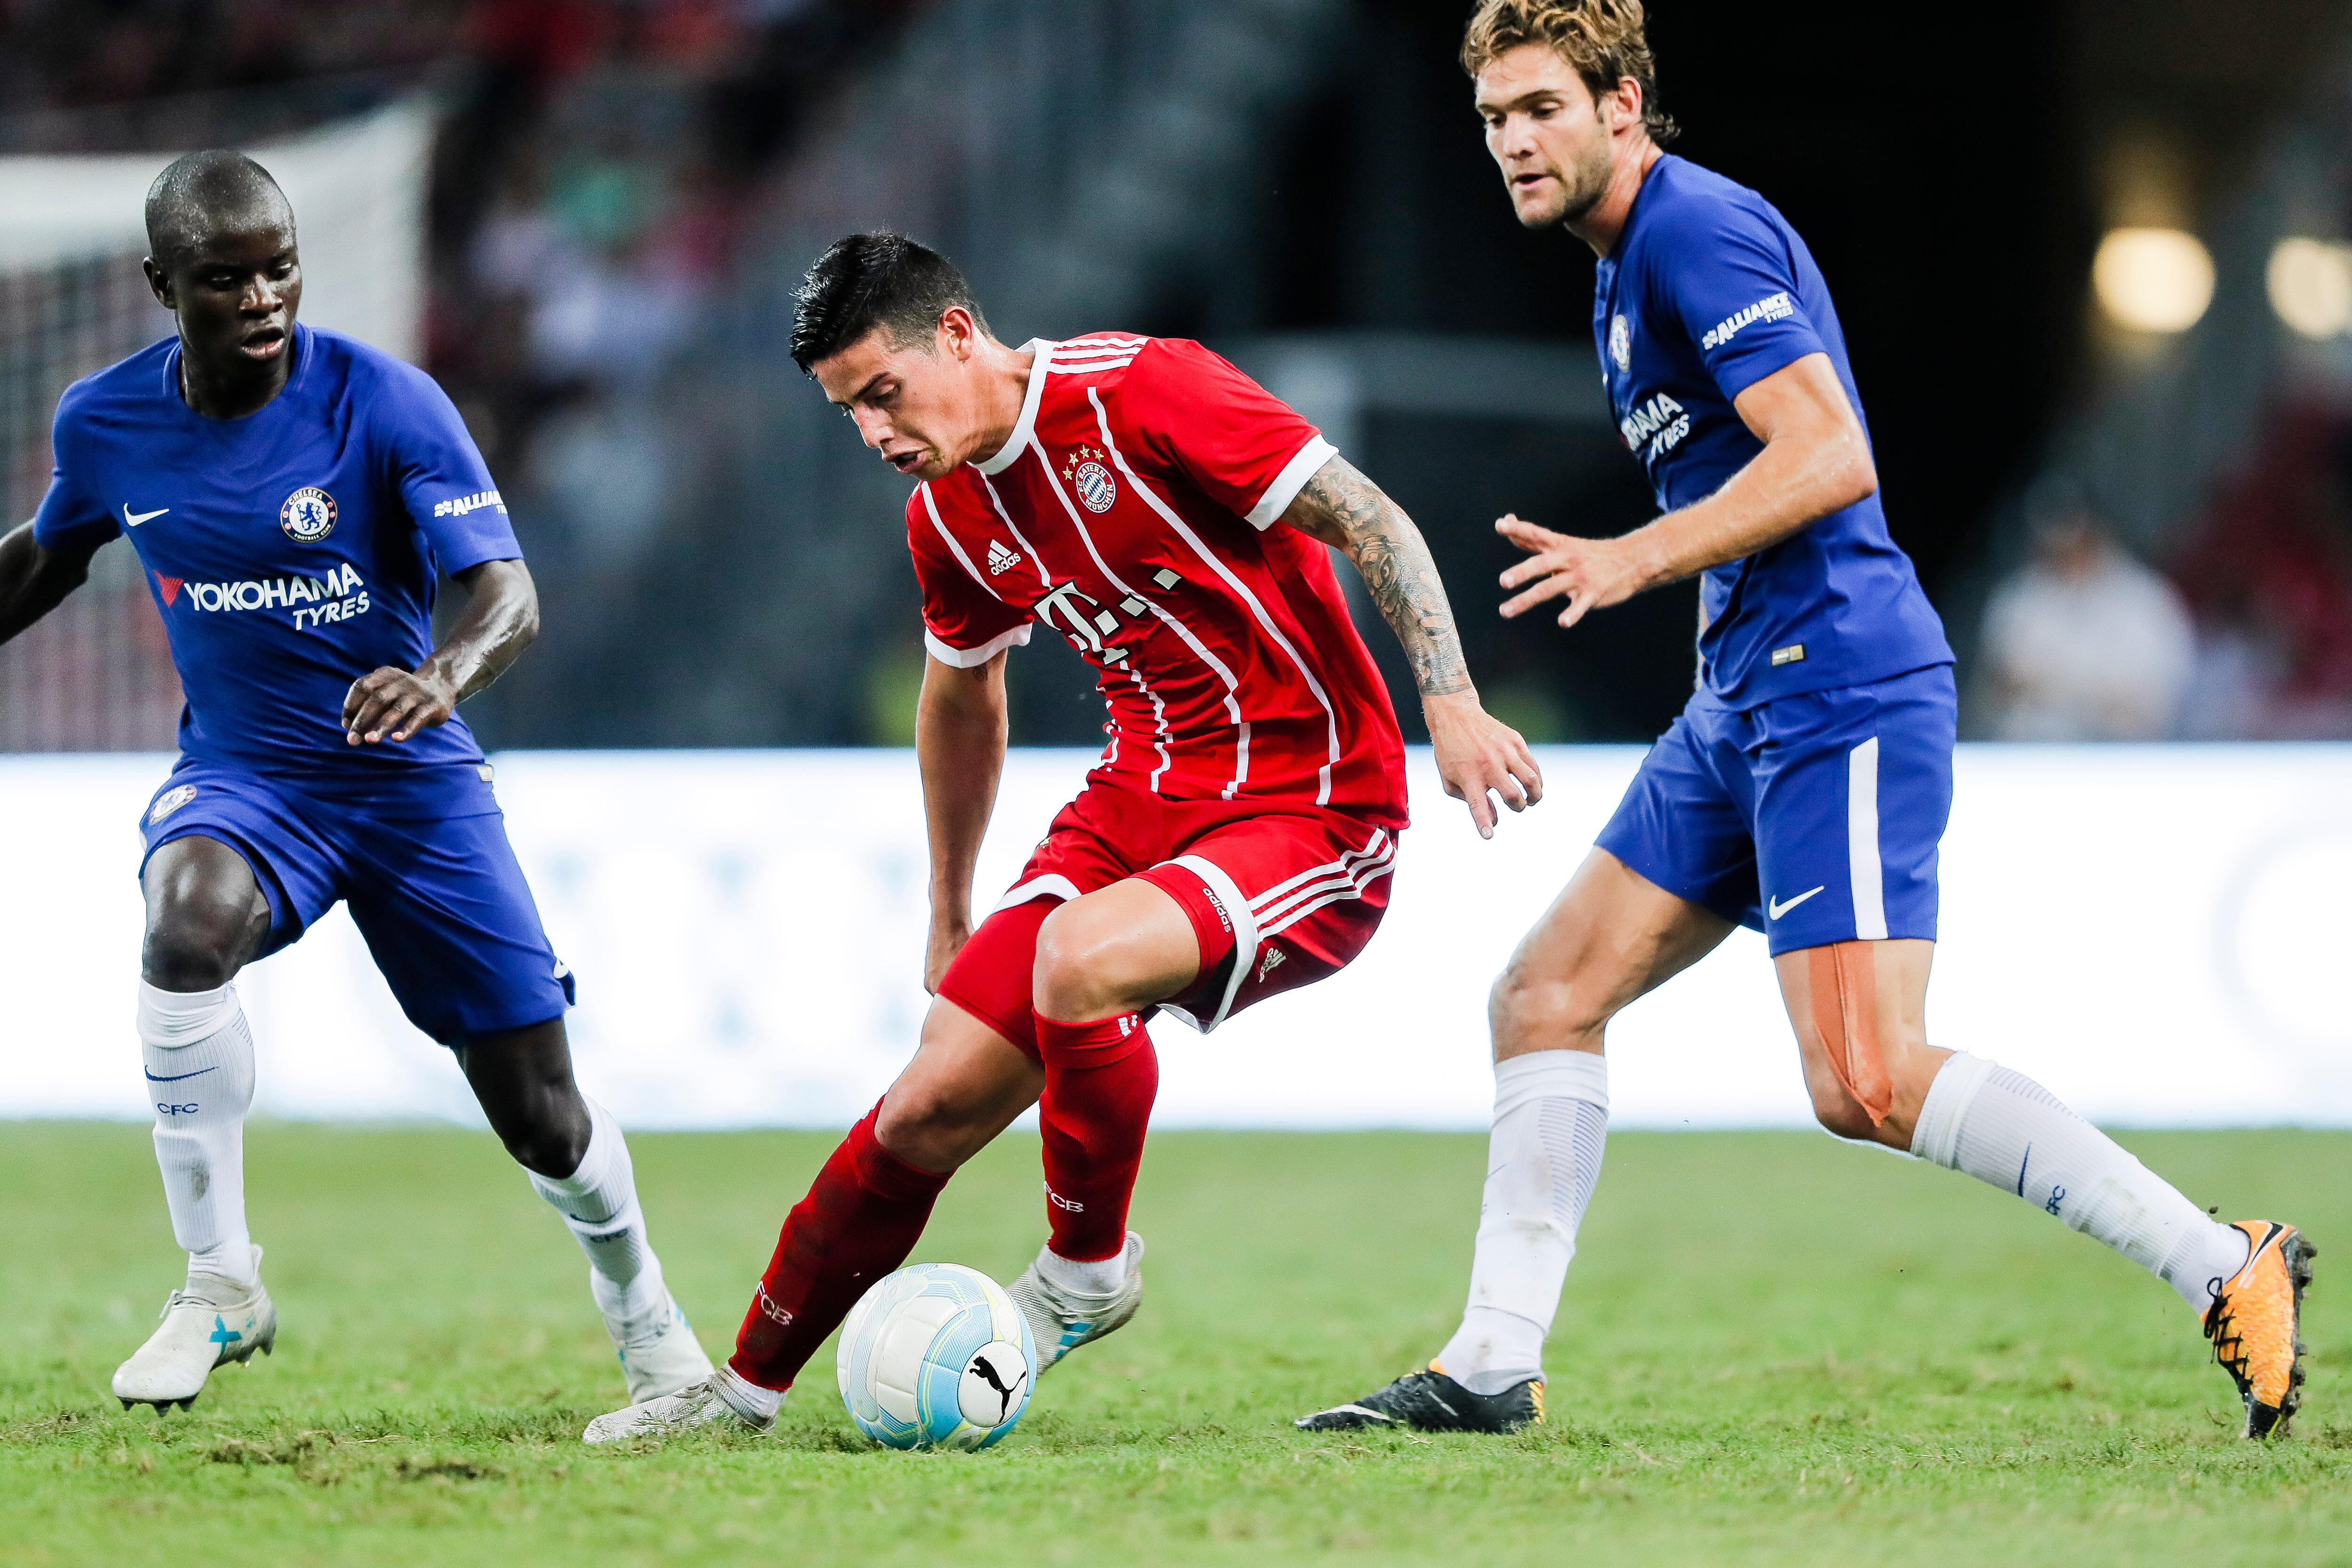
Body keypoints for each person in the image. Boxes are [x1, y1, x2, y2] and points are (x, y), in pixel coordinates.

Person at [1300, 0, 2312, 1440]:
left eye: (1538, 108)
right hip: (1745, 693)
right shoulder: (1614, 272)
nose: (1511, 141)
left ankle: (2227, 1262)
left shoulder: (1688, 233)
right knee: (1541, 998)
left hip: (1835, 679)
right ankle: (1486, 1363)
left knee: (1863, 1075)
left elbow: (1830, 452)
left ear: (1622, 104)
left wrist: (1632, 559)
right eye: (1489, 120)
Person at [583, 232, 1542, 1441]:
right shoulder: (947, 516)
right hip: (1134, 808)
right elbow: (960, 700)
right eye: (847, 414)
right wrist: (946, 903)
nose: (875, 434)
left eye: (883, 393)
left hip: (1311, 802)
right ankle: (740, 1395)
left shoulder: (1147, 392)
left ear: (957, 334)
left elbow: (1369, 517)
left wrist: (1447, 702)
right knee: (927, 1102)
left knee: (1079, 961)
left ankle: (1088, 1272)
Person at [0, 151, 709, 1413]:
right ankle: (220, 1280)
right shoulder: (106, 423)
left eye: (280, 266)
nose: (264, 296)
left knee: (543, 1115)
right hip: (247, 776)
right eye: (227, 278)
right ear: (165, 284)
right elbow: (44, 565)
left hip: (409, 784)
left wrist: (442, 673)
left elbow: (508, 591)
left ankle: (651, 1324)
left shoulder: (387, 402)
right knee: (186, 921)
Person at [1979, 486, 2195, 740]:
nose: (2066, 547)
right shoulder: (2019, 600)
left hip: (2122, 762)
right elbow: (1995, 689)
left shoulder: (2145, 600)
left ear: (2098, 530)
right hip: (2033, 759)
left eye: (2074, 532)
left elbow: (2167, 692)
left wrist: (2061, 689)